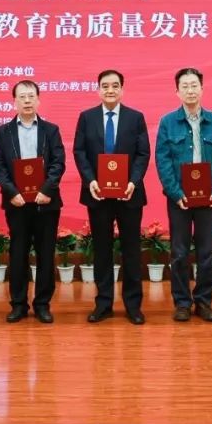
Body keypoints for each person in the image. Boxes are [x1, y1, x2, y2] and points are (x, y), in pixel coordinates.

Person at [73, 69, 151, 325]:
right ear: (98, 90)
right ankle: (103, 303)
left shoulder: (135, 117)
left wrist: (133, 182)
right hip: (97, 194)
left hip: (129, 194)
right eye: (105, 86)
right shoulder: (87, 117)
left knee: (131, 250)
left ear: (122, 89)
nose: (110, 90)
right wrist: (91, 181)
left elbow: (143, 153)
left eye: (115, 85)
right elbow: (79, 152)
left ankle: (133, 305)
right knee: (102, 250)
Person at [154, 67, 212, 323]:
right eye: (185, 86)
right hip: (179, 198)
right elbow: (163, 161)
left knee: (207, 252)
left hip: (209, 198)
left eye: (194, 85)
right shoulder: (167, 122)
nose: (190, 90)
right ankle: (182, 303)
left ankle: (204, 302)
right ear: (177, 92)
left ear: (202, 89)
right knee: (179, 252)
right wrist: (175, 193)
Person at [0, 80, 67, 324]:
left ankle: (42, 304)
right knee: (18, 253)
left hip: (46, 202)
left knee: (46, 254)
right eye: (22, 96)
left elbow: (58, 162)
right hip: (17, 203)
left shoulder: (51, 130)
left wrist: (46, 189)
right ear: (14, 101)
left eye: (31, 96)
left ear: (38, 100)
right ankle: (18, 304)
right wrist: (12, 192)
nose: (27, 100)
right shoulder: (3, 132)